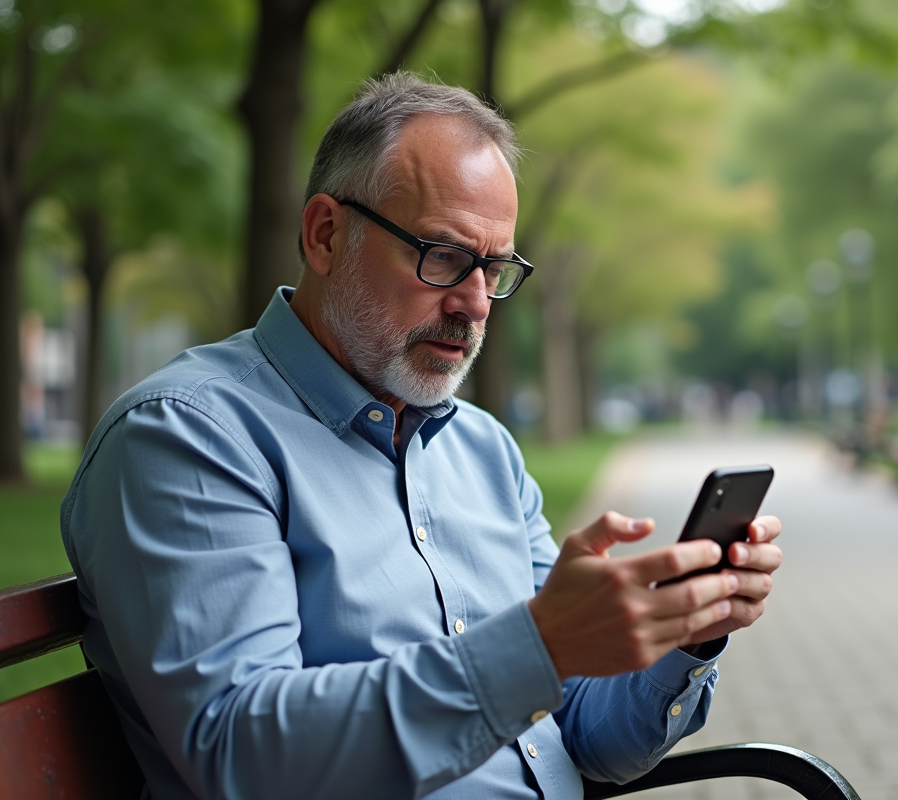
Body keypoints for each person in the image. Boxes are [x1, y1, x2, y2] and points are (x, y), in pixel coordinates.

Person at [61, 72, 782, 800]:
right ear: (324, 234)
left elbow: (589, 740)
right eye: (442, 255)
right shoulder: (188, 437)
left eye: (494, 267)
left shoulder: (484, 451)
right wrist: (540, 645)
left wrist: (688, 630)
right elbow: (243, 752)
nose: (474, 303)